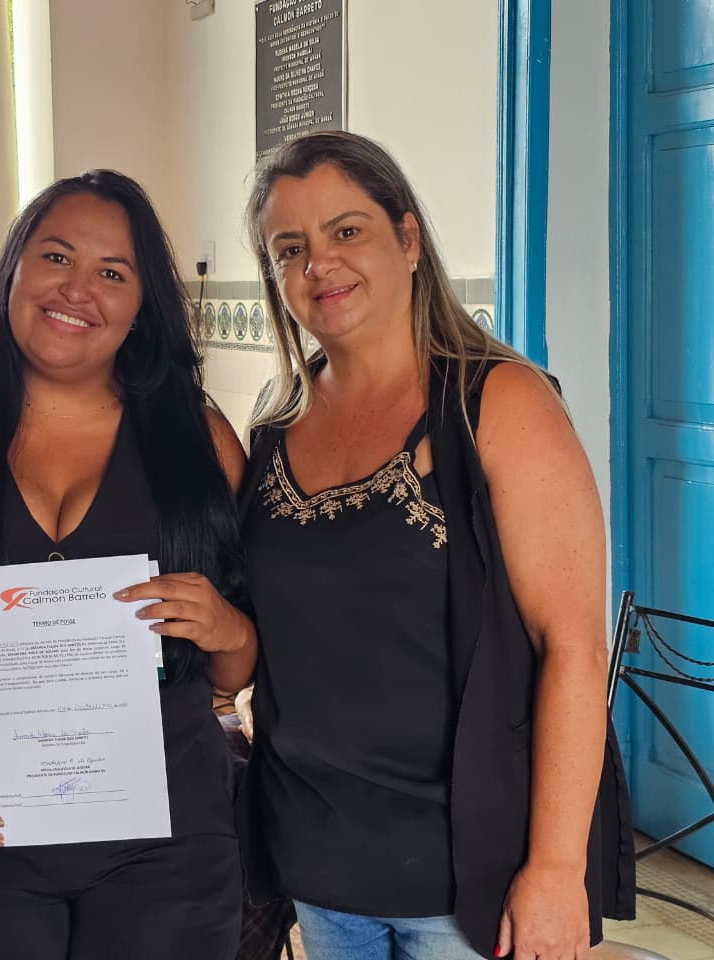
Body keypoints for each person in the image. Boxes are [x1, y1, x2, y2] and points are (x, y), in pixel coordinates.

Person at [237, 130, 634, 960]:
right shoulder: (275, 426)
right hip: (321, 858)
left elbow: (572, 647)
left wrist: (557, 869)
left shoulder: (498, 403)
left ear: (408, 239)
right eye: (290, 248)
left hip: (473, 873)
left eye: (347, 231)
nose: (320, 264)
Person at [0, 170, 256, 959]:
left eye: (113, 273)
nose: (77, 290)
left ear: (142, 305)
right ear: (13, 267)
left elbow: (235, 670)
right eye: (56, 257)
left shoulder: (199, 441)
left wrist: (227, 628)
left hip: (171, 837)